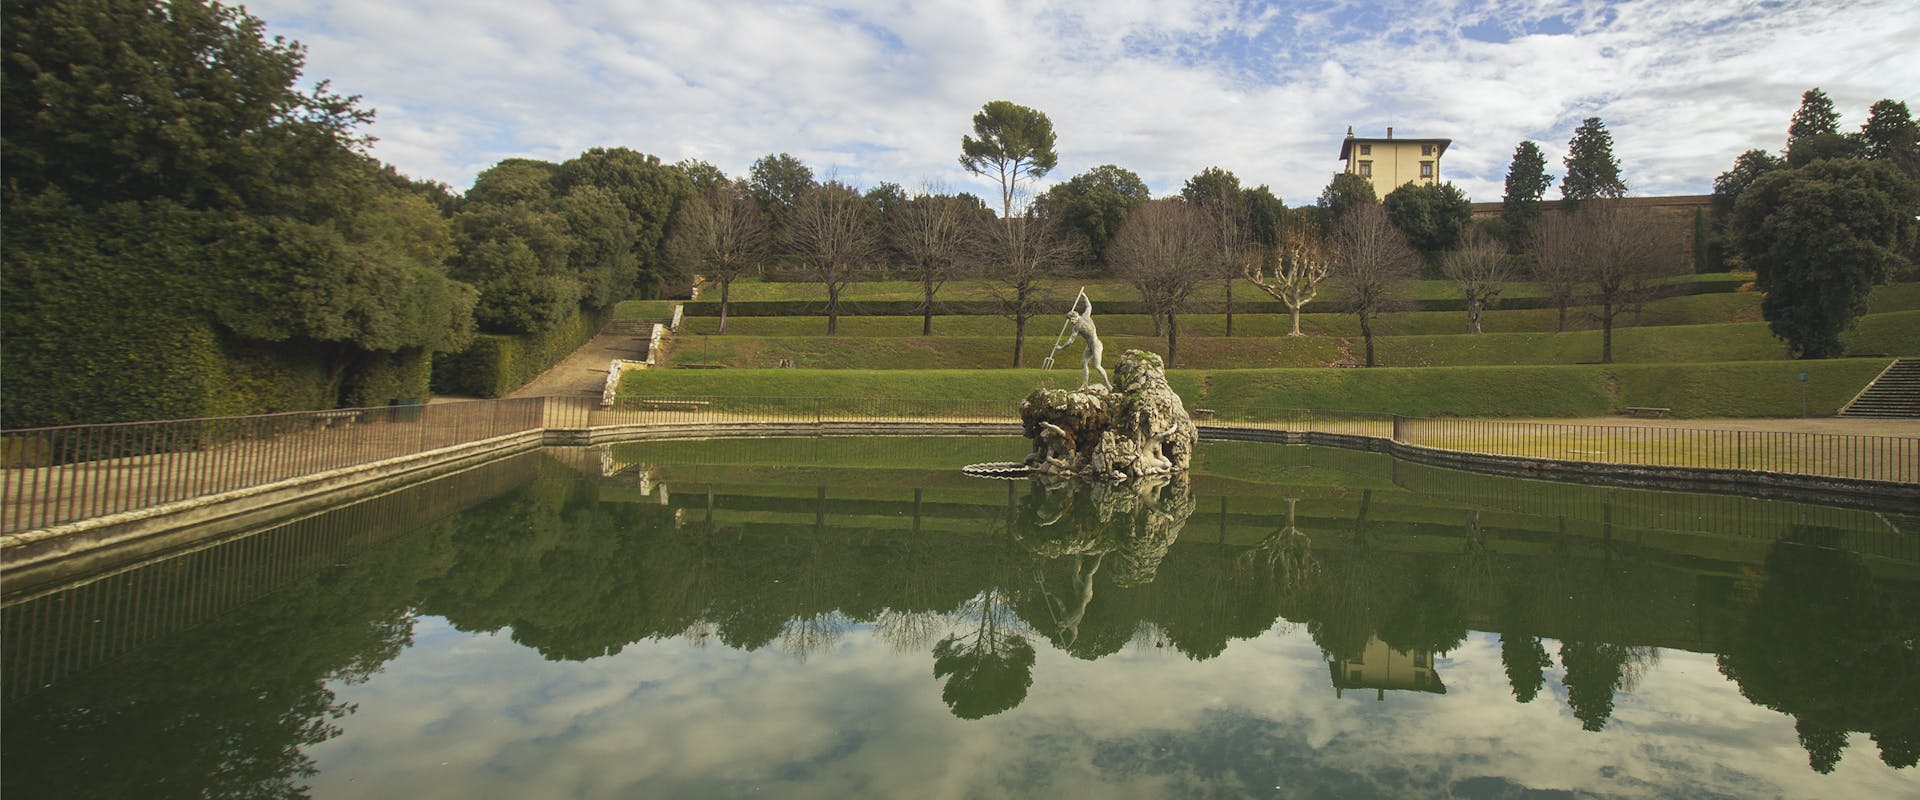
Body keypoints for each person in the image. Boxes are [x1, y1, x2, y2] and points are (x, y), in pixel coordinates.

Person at [1066, 291, 1108, 387]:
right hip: (1089, 347)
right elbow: (1089, 306)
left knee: (1097, 366)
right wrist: (1084, 296)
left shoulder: (1077, 326)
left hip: (1096, 345)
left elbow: (1070, 341)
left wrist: (1061, 347)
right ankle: (1085, 384)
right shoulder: (1084, 317)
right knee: (1083, 363)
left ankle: (1108, 384)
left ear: (1073, 318)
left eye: (1070, 319)